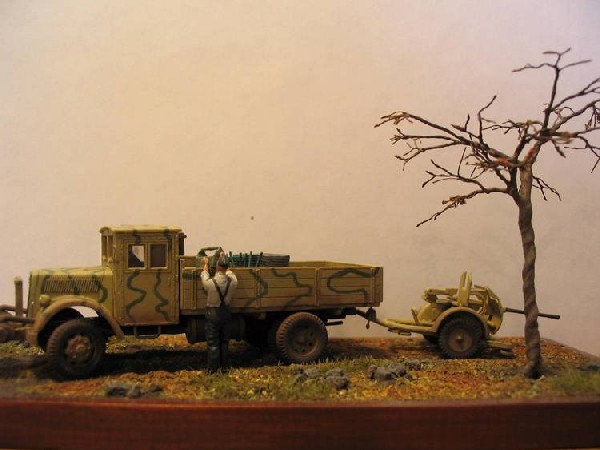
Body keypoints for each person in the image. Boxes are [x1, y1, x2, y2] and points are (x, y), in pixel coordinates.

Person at [201, 252, 238, 373]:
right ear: (227, 267)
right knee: (224, 342)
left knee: (213, 343)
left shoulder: (210, 283)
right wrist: (224, 258)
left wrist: (206, 264)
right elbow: (230, 273)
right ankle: (225, 368)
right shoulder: (233, 281)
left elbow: (204, 274)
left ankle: (212, 370)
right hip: (226, 313)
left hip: (213, 314)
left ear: (217, 266)